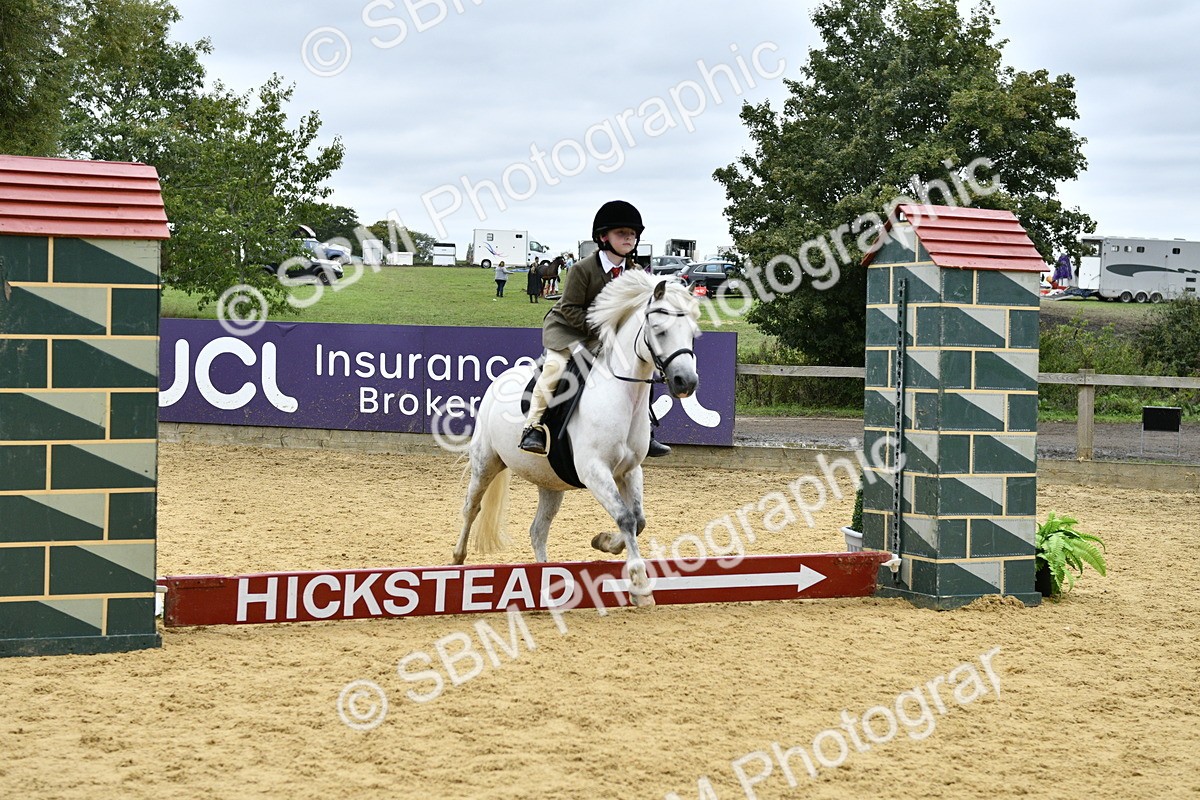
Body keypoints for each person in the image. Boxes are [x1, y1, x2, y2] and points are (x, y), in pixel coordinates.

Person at [518, 200, 671, 458]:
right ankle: (533, 426)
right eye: (622, 233)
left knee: (641, 369)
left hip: (609, 336)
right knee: (555, 368)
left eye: (632, 234)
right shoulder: (582, 269)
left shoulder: (634, 272)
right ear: (603, 237)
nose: (629, 238)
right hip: (569, 329)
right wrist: (603, 332)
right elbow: (569, 309)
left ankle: (647, 432)